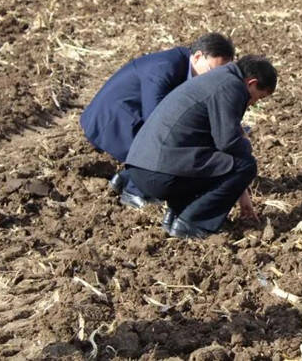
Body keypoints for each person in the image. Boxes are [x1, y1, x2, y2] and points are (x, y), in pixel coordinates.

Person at [117, 55, 277, 239]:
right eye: (260, 96)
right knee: (246, 164)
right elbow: (229, 142)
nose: (255, 102)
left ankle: (178, 214)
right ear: (252, 83)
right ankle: (191, 223)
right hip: (159, 174)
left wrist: (243, 196)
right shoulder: (231, 87)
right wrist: (246, 146)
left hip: (140, 169)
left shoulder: (218, 79)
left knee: (215, 159)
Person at [80, 32, 235, 169]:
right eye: (211, 72)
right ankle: (133, 190)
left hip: (132, 118)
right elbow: (154, 121)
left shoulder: (191, 71)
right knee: (166, 151)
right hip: (113, 123)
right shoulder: (165, 68)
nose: (214, 80)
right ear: (197, 57)